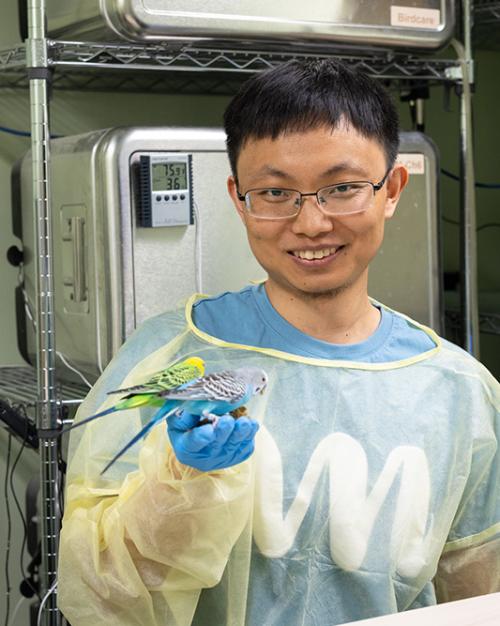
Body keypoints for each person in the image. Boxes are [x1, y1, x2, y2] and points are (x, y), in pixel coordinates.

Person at [58, 59, 500, 626]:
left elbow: (479, 596)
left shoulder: (459, 393)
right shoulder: (174, 354)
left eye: (341, 188)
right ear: (238, 199)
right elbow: (99, 589)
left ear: (391, 190)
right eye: (274, 192)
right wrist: (181, 485)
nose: (311, 224)